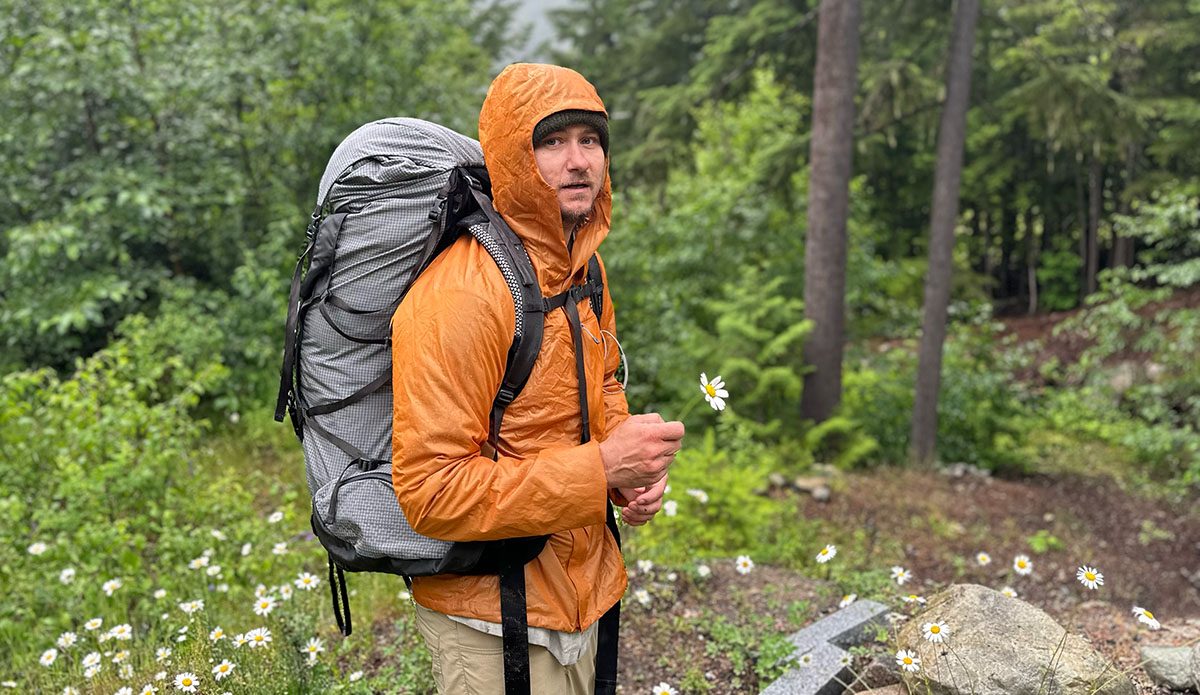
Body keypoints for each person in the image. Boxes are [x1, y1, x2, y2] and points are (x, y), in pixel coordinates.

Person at [389, 63, 686, 694]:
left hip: (584, 591)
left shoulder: (585, 270)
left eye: (590, 139)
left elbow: (597, 389)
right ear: (513, 158)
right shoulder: (464, 292)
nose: (578, 161)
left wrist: (629, 473)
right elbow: (429, 492)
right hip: (490, 618)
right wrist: (601, 470)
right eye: (551, 142)